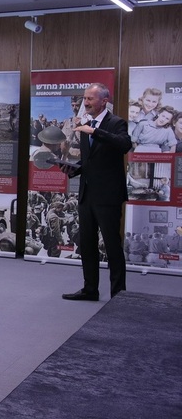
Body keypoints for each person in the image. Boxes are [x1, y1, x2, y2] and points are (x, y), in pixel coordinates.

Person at [60, 83, 131, 301]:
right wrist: (72, 169)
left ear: (104, 100)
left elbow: (124, 144)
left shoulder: (116, 123)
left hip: (108, 196)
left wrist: (95, 131)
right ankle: (90, 289)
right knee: (87, 244)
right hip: (87, 195)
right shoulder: (85, 125)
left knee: (111, 245)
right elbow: (89, 161)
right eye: (85, 99)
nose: (86, 103)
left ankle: (118, 294)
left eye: (90, 99)